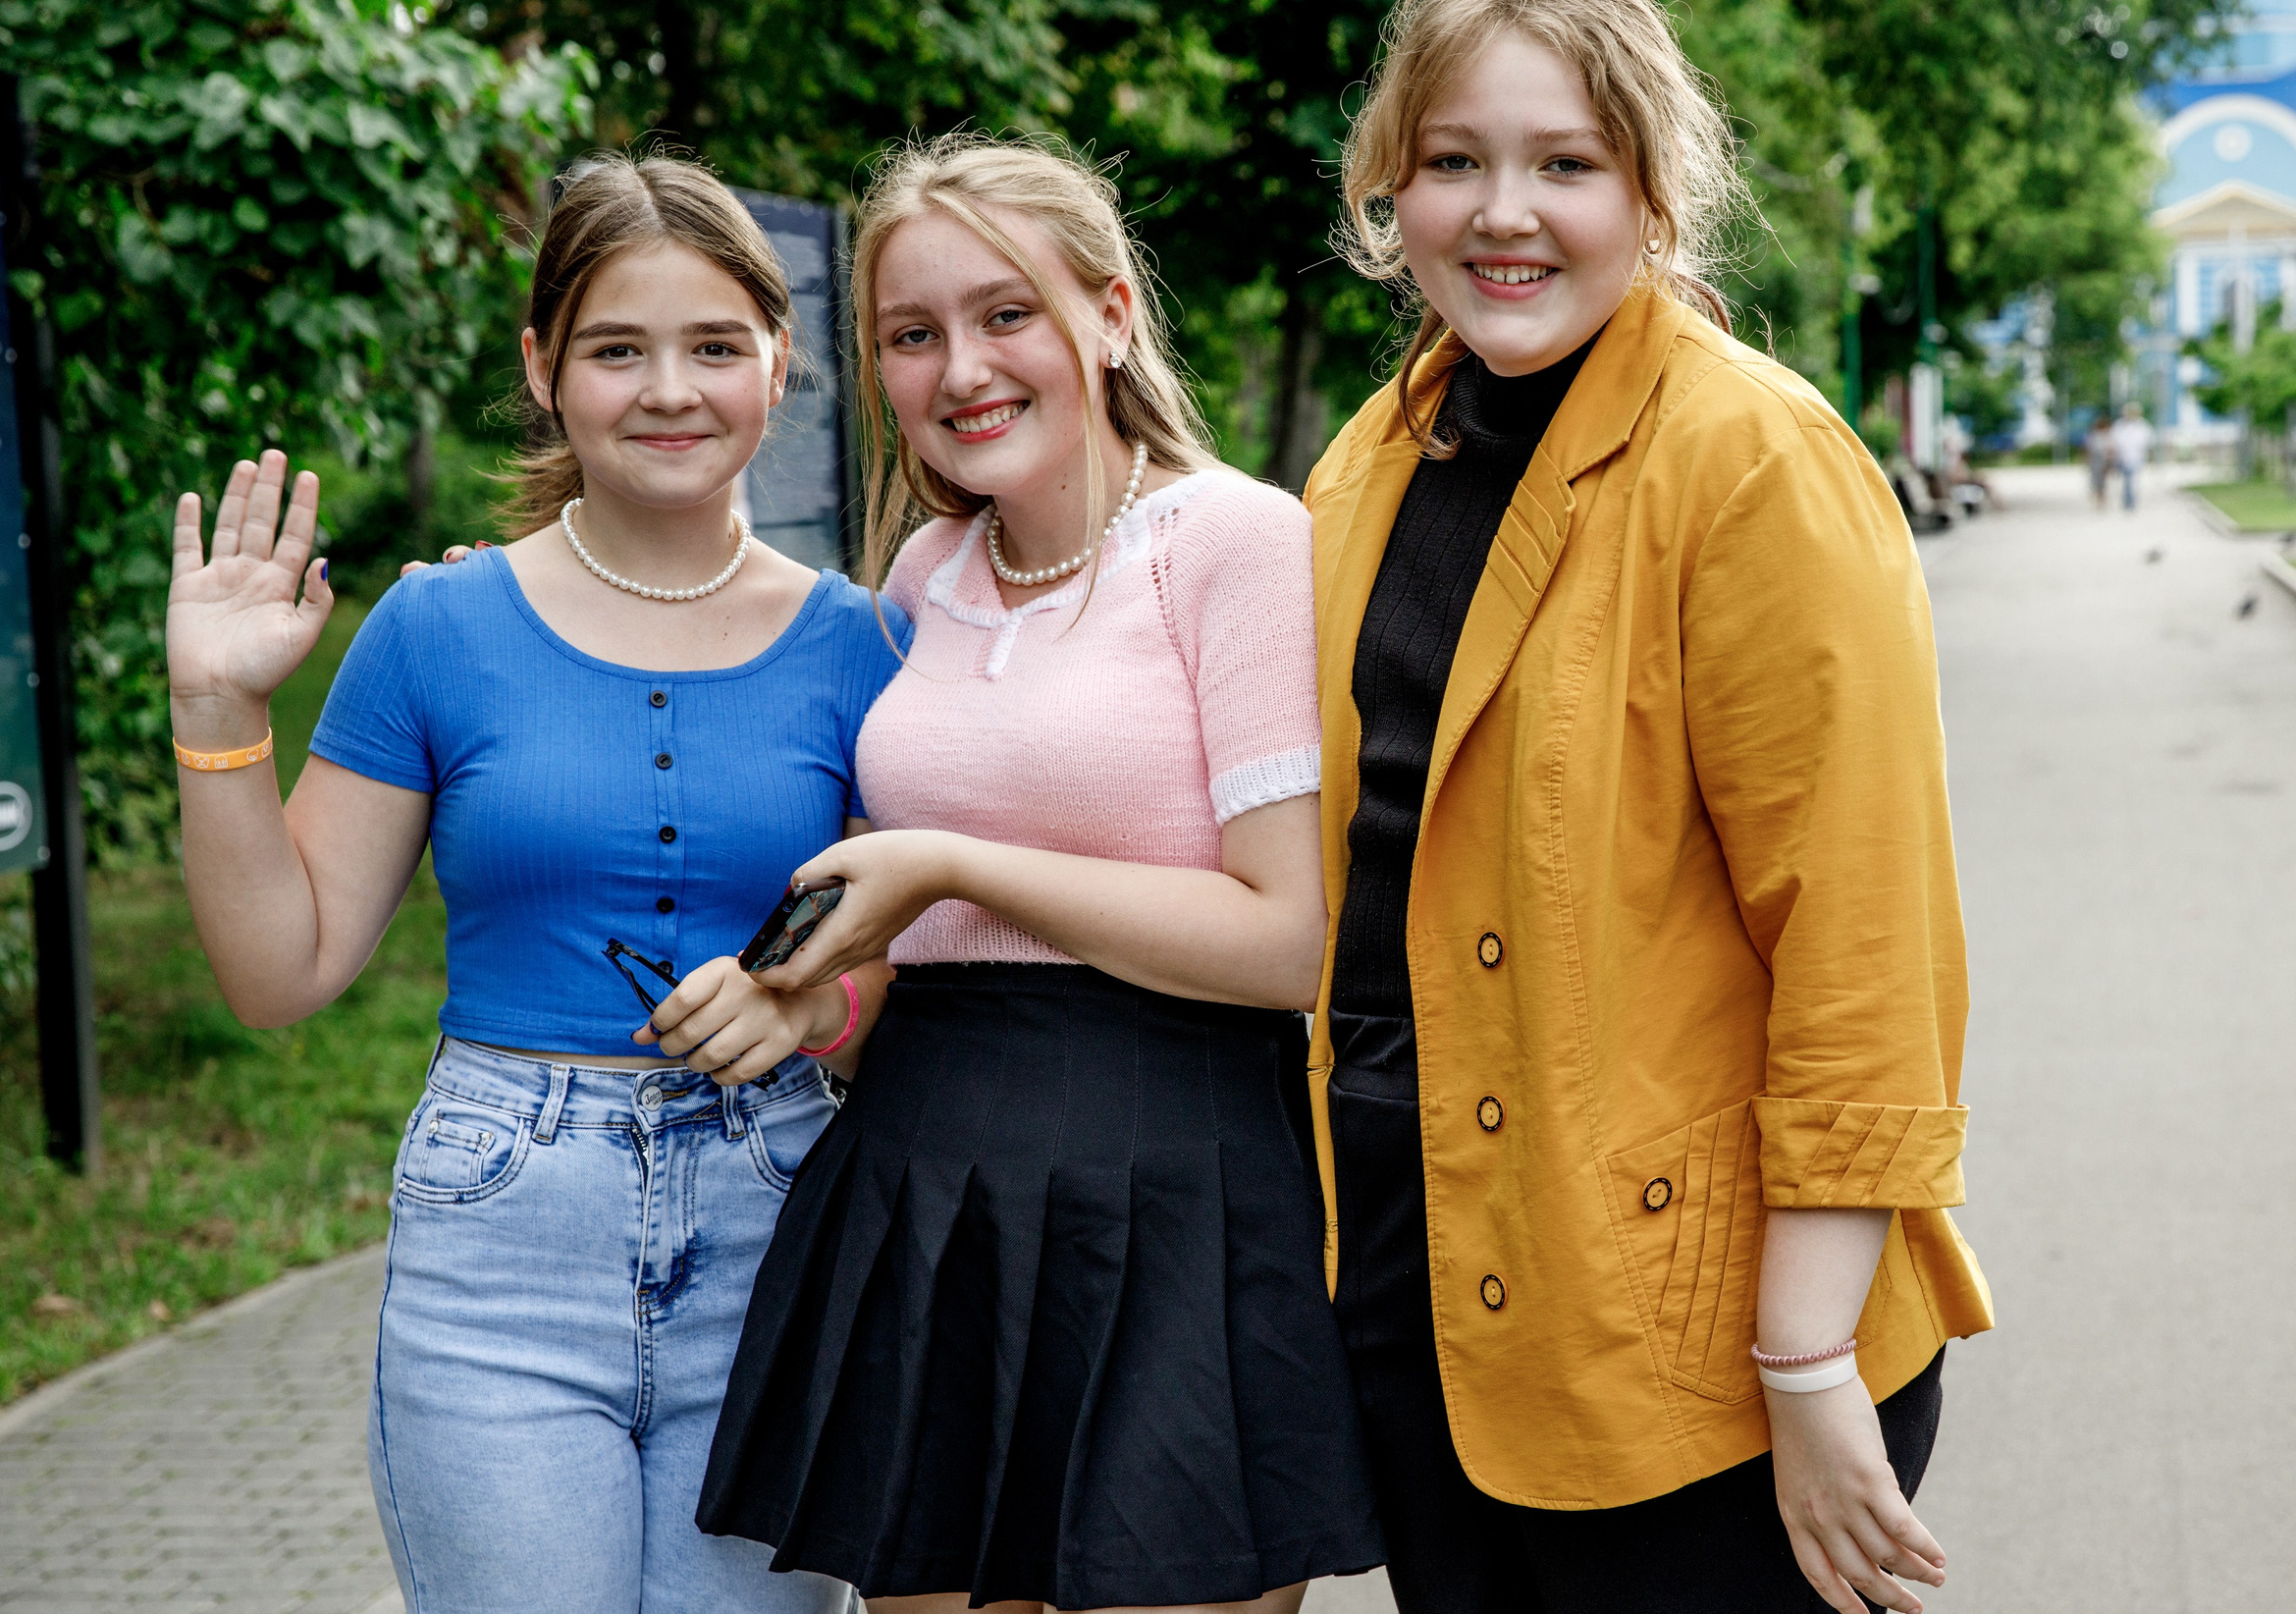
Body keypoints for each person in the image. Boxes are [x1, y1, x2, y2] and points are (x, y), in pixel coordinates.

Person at [1305, 0, 1991, 1612]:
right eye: (1455, 161)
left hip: (1700, 1346)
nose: (1502, 213)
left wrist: (1810, 1358)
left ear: (1654, 192)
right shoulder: (1367, 458)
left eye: (1565, 164)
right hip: (1428, 1299)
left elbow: (1862, 954)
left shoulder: (1753, 460)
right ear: (1392, 192)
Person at [164, 155, 895, 1614]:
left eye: (712, 345)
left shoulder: (870, 642)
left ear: (781, 358)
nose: (669, 388)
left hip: (778, 1231)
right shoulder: (436, 626)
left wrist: (819, 1006)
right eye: (619, 348)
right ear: (544, 368)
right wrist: (213, 711)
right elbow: (279, 969)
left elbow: (920, 950)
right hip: (501, 1234)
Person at [689, 135, 1384, 1613]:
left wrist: (951, 858)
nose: (962, 368)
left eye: (1006, 314)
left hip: (1179, 1183)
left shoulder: (1234, 544)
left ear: (1114, 315)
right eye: (912, 333)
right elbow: (901, 948)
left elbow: (1286, 942)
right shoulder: (918, 583)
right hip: (925, 1193)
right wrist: (810, 1005)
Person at [2109, 403, 2154, 511]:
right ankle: (2128, 499)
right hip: (2121, 457)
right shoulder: (2119, 425)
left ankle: (2130, 500)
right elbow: (2114, 440)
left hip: (2136, 457)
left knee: (2131, 479)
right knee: (2126, 479)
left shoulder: (2142, 425)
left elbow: (2148, 440)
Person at [2085, 413, 2113, 509]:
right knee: (2100, 482)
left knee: (2098, 481)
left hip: (2098, 461)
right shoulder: (2101, 437)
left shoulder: (2093, 436)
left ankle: (2099, 498)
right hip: (2099, 460)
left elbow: (2088, 450)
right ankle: (2100, 499)